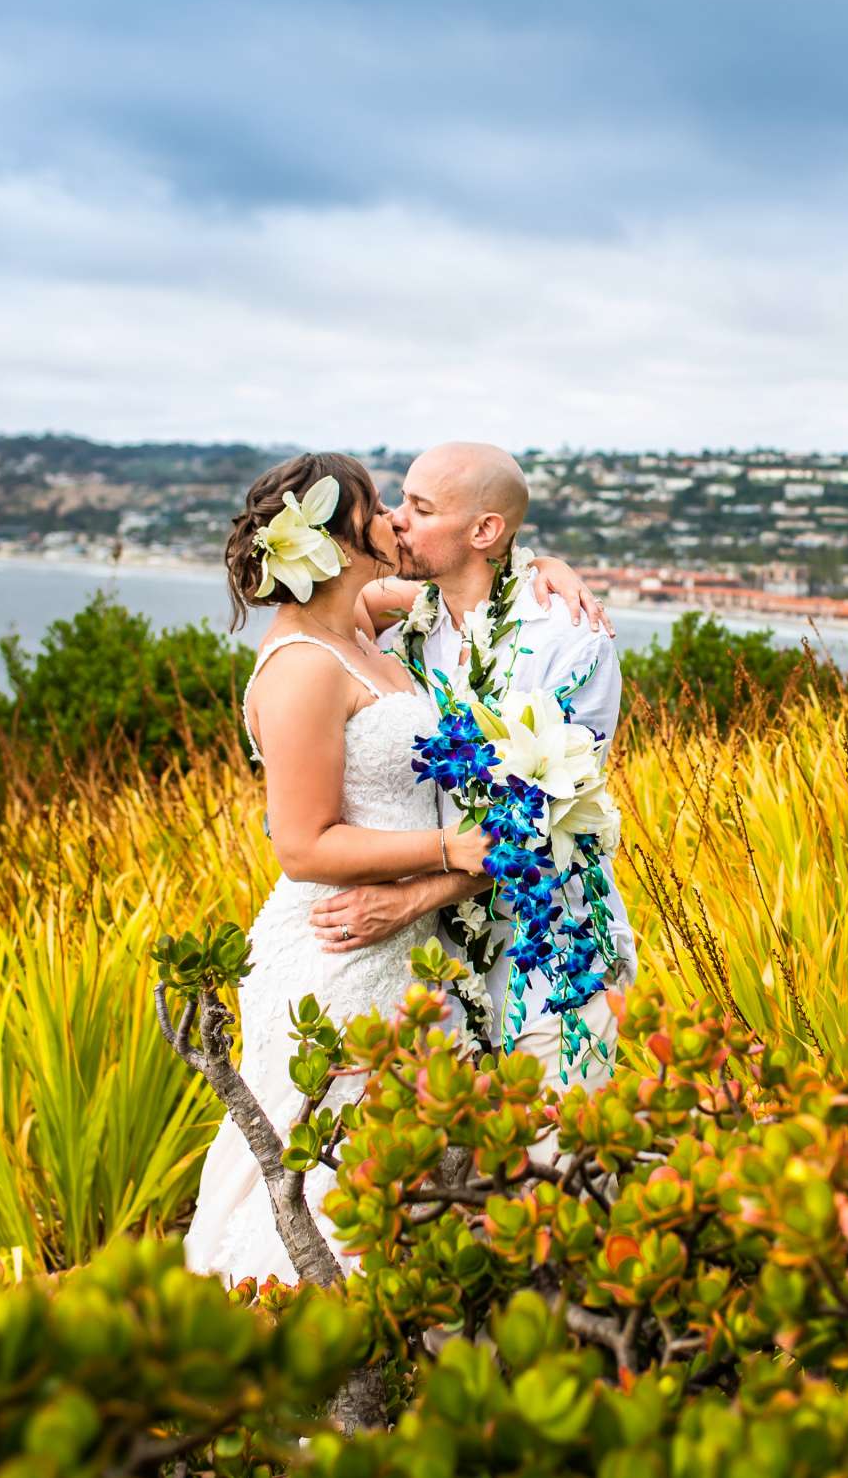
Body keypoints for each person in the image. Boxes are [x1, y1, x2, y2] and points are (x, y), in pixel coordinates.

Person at [181, 451, 601, 1287]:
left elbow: (474, 588)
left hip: (419, 946)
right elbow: (302, 845)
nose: (395, 523)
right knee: (337, 1181)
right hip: (343, 947)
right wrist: (450, 852)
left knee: (411, 1179)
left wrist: (537, 562)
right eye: (379, 508)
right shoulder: (305, 664)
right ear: (335, 541)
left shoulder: (360, 621)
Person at [339, 440, 633, 1090]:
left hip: (558, 956)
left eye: (419, 507)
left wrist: (411, 897)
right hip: (435, 970)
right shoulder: (398, 641)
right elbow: (317, 614)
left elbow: (543, 820)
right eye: (399, 503)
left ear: (485, 530)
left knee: (560, 1169)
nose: (395, 522)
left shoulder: (570, 643)